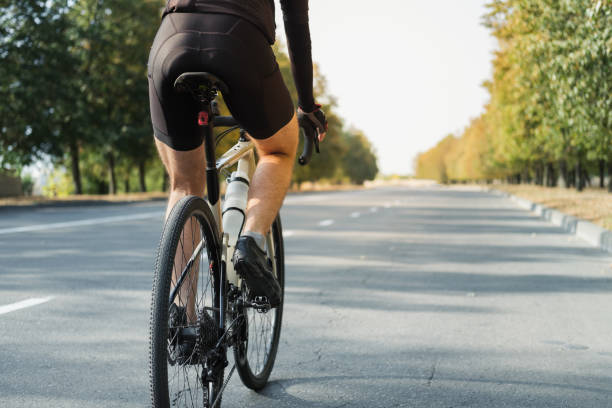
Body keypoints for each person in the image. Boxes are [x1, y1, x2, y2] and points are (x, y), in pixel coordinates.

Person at [147, 0, 327, 308]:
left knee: (185, 185)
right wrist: (307, 106)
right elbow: (296, 23)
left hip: (172, 41)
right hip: (239, 41)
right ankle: (251, 241)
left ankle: (181, 319)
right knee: (278, 150)